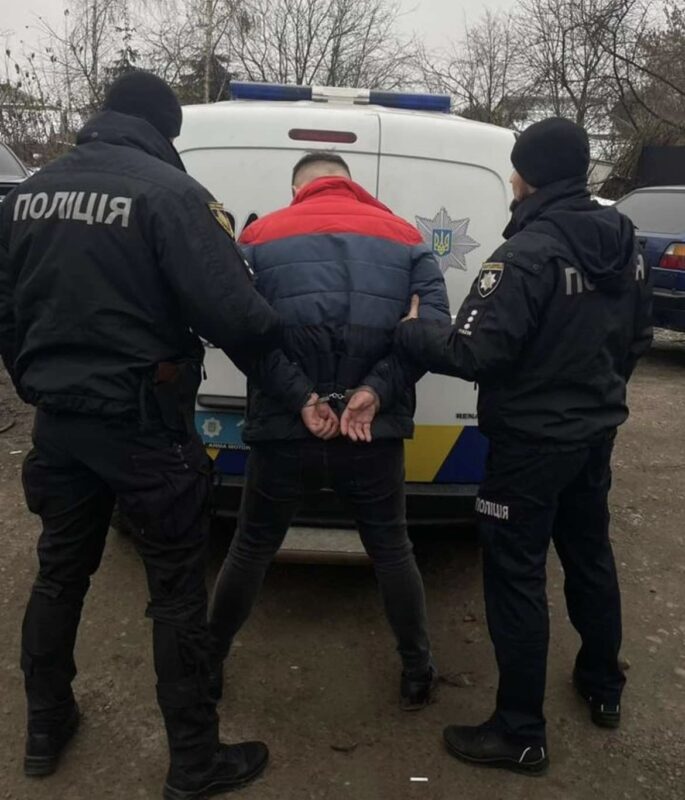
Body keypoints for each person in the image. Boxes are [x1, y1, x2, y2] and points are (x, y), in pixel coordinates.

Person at [0, 71, 282, 800]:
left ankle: (44, 727)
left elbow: (6, 308)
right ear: (163, 129)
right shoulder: (171, 195)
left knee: (60, 574)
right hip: (144, 427)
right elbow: (239, 316)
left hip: (61, 424)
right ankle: (194, 762)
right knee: (177, 594)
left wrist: (36, 380)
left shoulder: (27, 194)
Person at [396, 118, 652, 774]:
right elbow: (638, 338)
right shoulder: (625, 241)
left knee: (516, 576)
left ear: (527, 175)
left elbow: (476, 352)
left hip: (530, 447)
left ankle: (519, 732)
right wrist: (594, 399)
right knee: (589, 555)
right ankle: (602, 684)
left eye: (515, 168)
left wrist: (413, 333)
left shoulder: (525, 254)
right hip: (591, 436)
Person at [208, 152, 450, 710]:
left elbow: (240, 334)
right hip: (371, 432)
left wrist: (301, 398)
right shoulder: (409, 240)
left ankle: (208, 665)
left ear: (299, 188)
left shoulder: (258, 238)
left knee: (251, 547)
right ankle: (417, 672)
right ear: (348, 183)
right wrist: (376, 391)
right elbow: (430, 333)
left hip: (285, 429)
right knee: (392, 549)